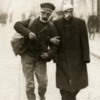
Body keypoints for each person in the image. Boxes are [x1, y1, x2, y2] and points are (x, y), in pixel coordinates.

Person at [14, 2, 58, 100]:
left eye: (48, 14)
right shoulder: (31, 21)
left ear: (51, 15)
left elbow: (55, 46)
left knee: (43, 83)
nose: (45, 16)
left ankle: (41, 95)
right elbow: (17, 25)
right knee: (29, 84)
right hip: (27, 56)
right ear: (40, 12)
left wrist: (48, 54)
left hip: (41, 57)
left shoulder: (52, 27)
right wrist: (28, 32)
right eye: (43, 13)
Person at [50, 2, 90, 100]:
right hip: (62, 57)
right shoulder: (56, 23)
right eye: (66, 11)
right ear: (62, 12)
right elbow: (54, 41)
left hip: (77, 58)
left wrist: (86, 57)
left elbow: (84, 41)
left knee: (77, 83)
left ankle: (71, 97)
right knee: (63, 85)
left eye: (70, 11)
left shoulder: (80, 22)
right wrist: (55, 58)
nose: (68, 13)